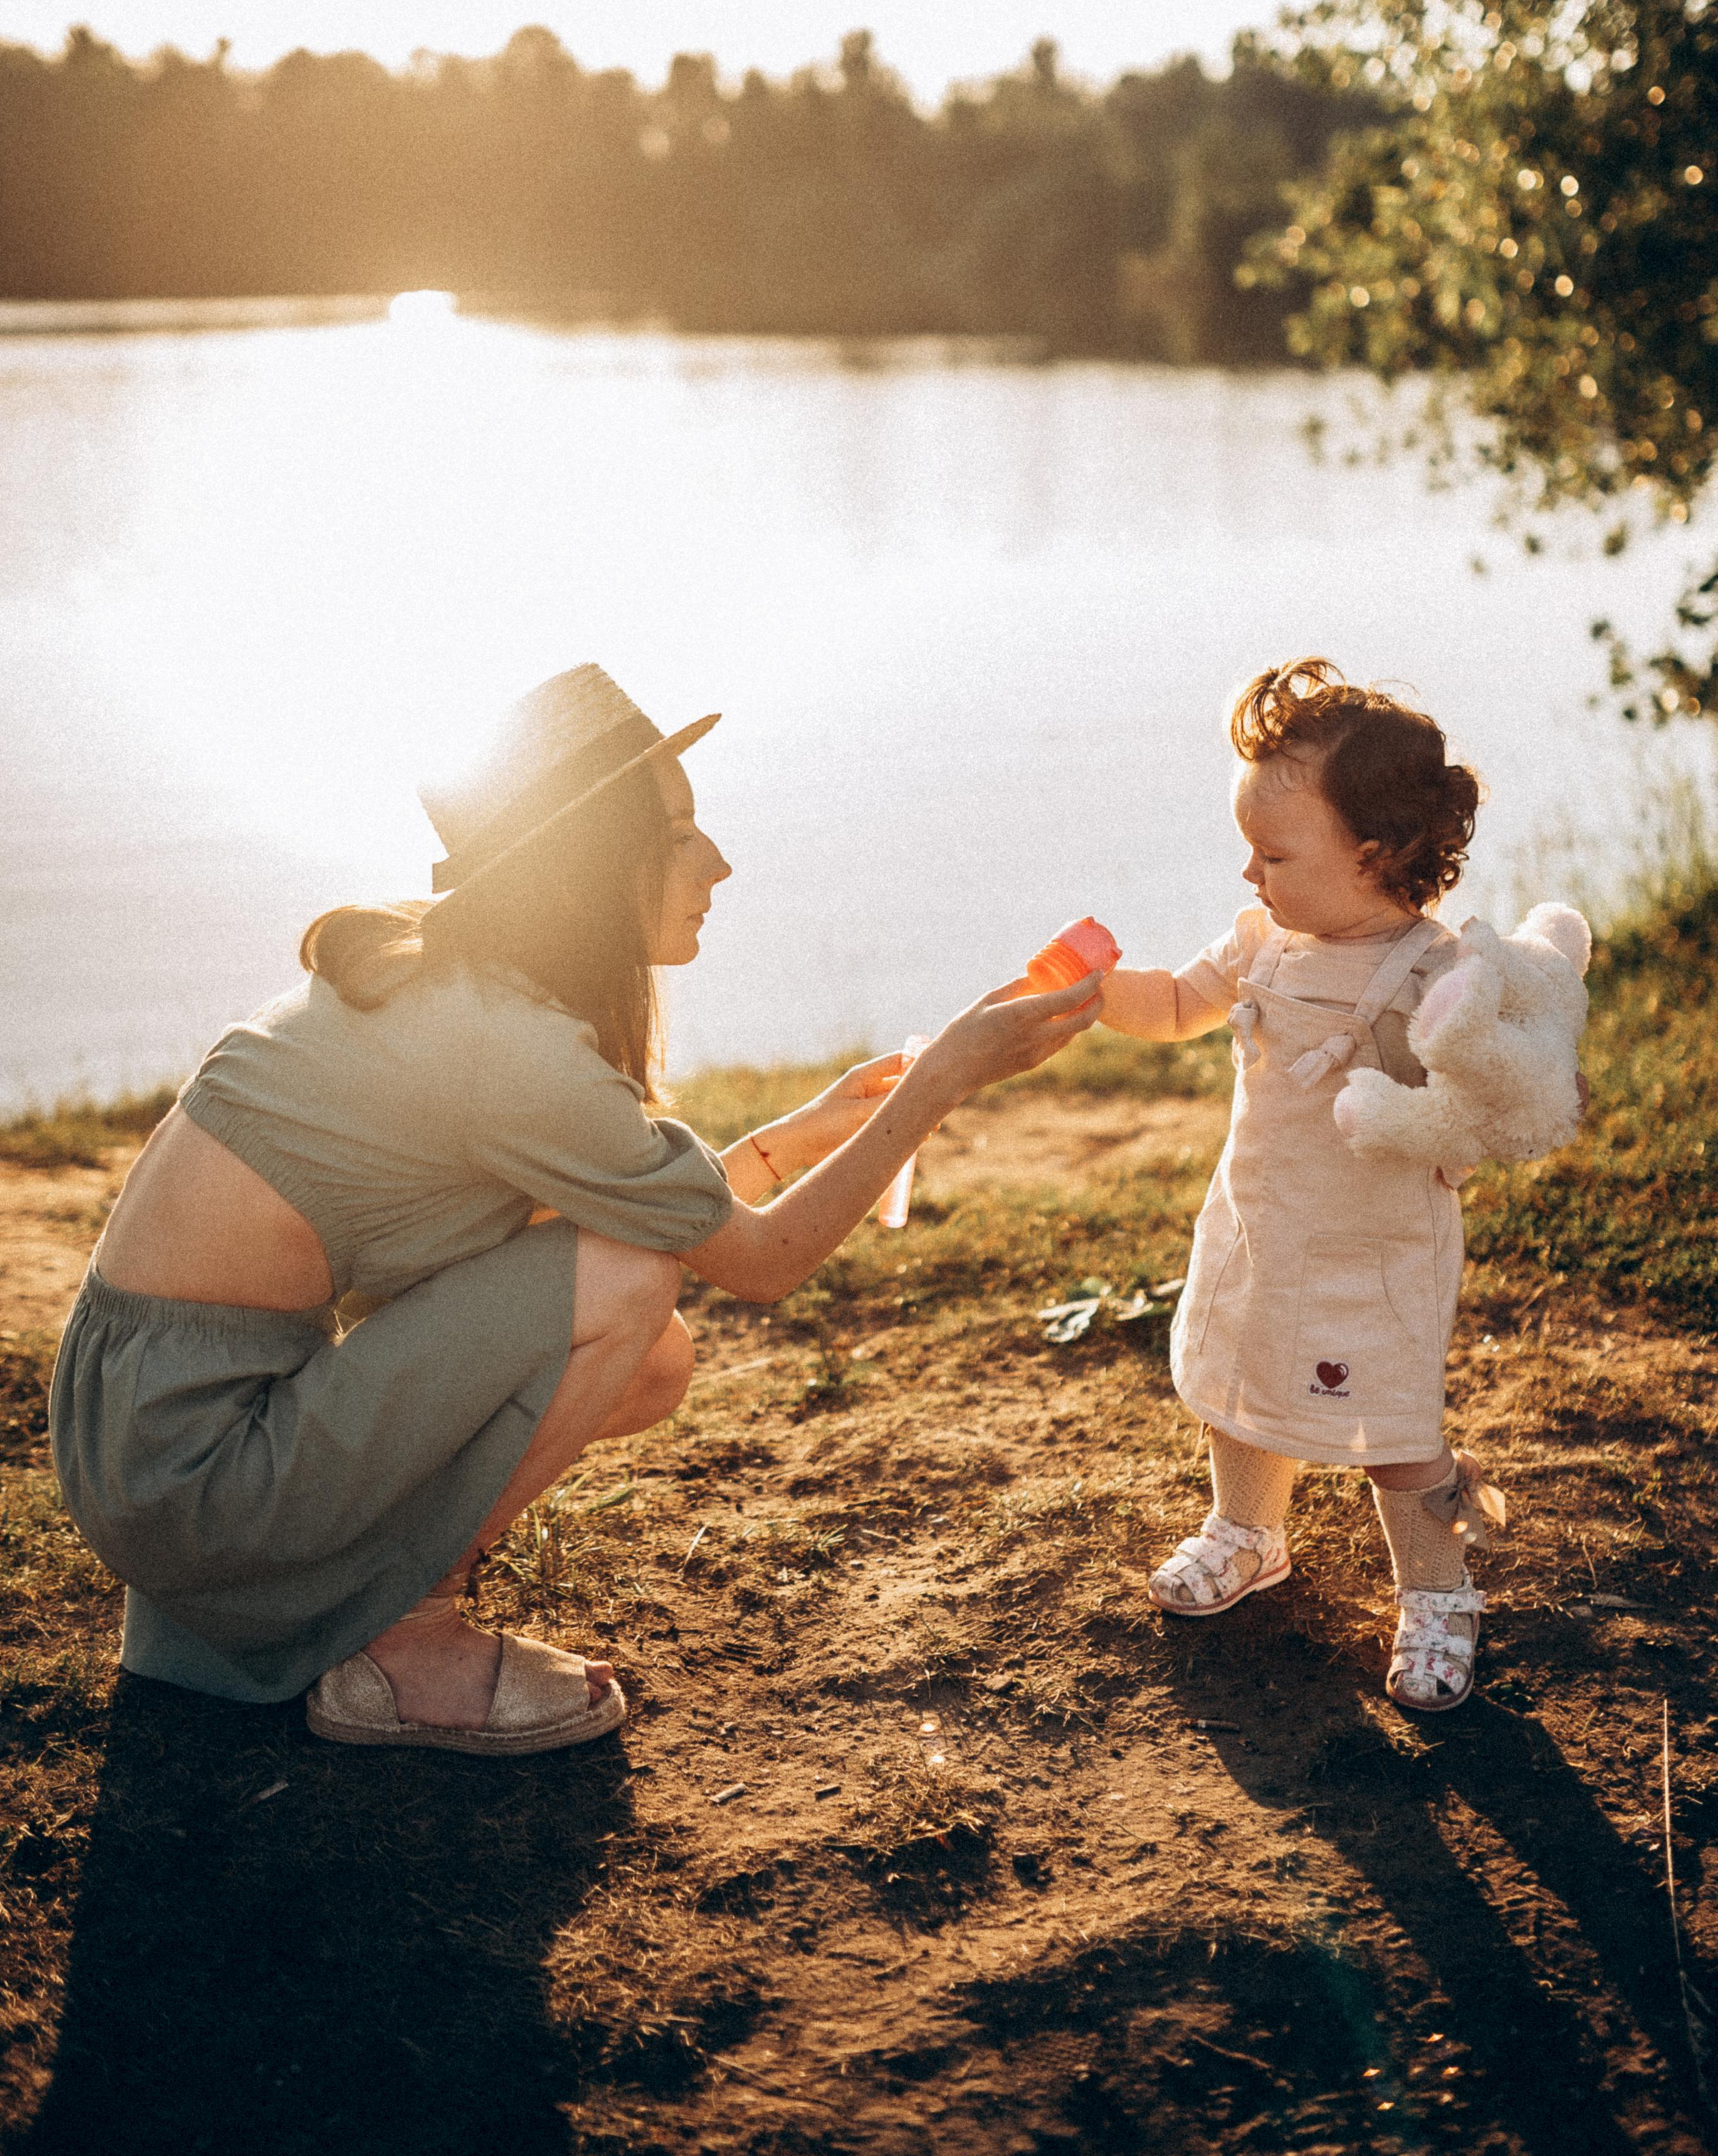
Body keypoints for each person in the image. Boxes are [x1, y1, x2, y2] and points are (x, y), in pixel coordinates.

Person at [50, 666, 1098, 1754]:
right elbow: (762, 1262)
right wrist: (944, 1081)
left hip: (150, 1437)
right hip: (200, 1473)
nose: (718, 862)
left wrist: (805, 1131)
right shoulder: (504, 1043)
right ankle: (405, 1636)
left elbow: (620, 1210)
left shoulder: (438, 973)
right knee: (633, 1293)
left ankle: (280, 1597)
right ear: (589, 866)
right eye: (678, 835)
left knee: (652, 1353)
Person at [1099, 658, 1495, 1712]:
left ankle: (1439, 1592)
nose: (1250, 874)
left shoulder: (1436, 973)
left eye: (1273, 855)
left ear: (1380, 854)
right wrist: (1094, 990)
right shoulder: (1263, 942)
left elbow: (1493, 1095)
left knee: (1396, 1434)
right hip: (1262, 1221)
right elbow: (1175, 1003)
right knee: (1241, 1384)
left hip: (1378, 1250)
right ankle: (1248, 1531)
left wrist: (1504, 1085)